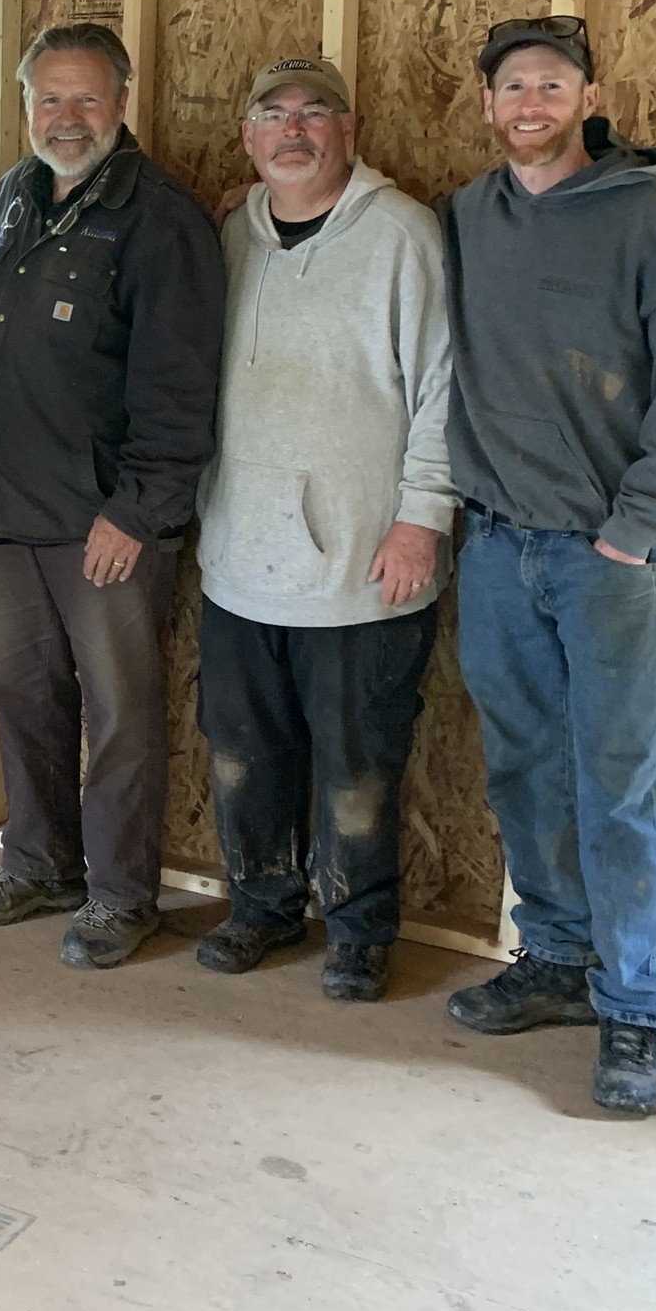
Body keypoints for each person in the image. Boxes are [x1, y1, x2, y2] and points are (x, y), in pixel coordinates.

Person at [441, 15, 656, 1117]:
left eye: (550, 84)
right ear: (488, 105)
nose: (529, 103)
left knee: (620, 783)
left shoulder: (651, 221)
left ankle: (631, 1011)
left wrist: (635, 526)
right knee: (525, 767)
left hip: (601, 555)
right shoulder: (468, 217)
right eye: (512, 86)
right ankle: (557, 962)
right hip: (494, 544)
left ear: (585, 95)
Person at [0, 22, 224, 969]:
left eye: (86, 99)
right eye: (49, 99)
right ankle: (40, 864)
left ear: (122, 103)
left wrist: (136, 511)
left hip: (103, 523)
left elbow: (182, 382)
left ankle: (122, 895)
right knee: (21, 690)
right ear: (27, 106)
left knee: (120, 710)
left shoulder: (159, 217)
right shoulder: (17, 194)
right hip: (9, 512)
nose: (66, 117)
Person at [192, 56, 454, 1004]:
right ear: (249, 137)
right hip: (240, 556)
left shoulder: (401, 235)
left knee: (357, 764)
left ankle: (358, 928)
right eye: (273, 115)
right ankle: (261, 906)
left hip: (361, 561)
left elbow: (441, 387)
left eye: (315, 113)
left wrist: (422, 519)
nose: (292, 131)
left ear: (350, 131)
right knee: (241, 750)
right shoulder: (229, 235)